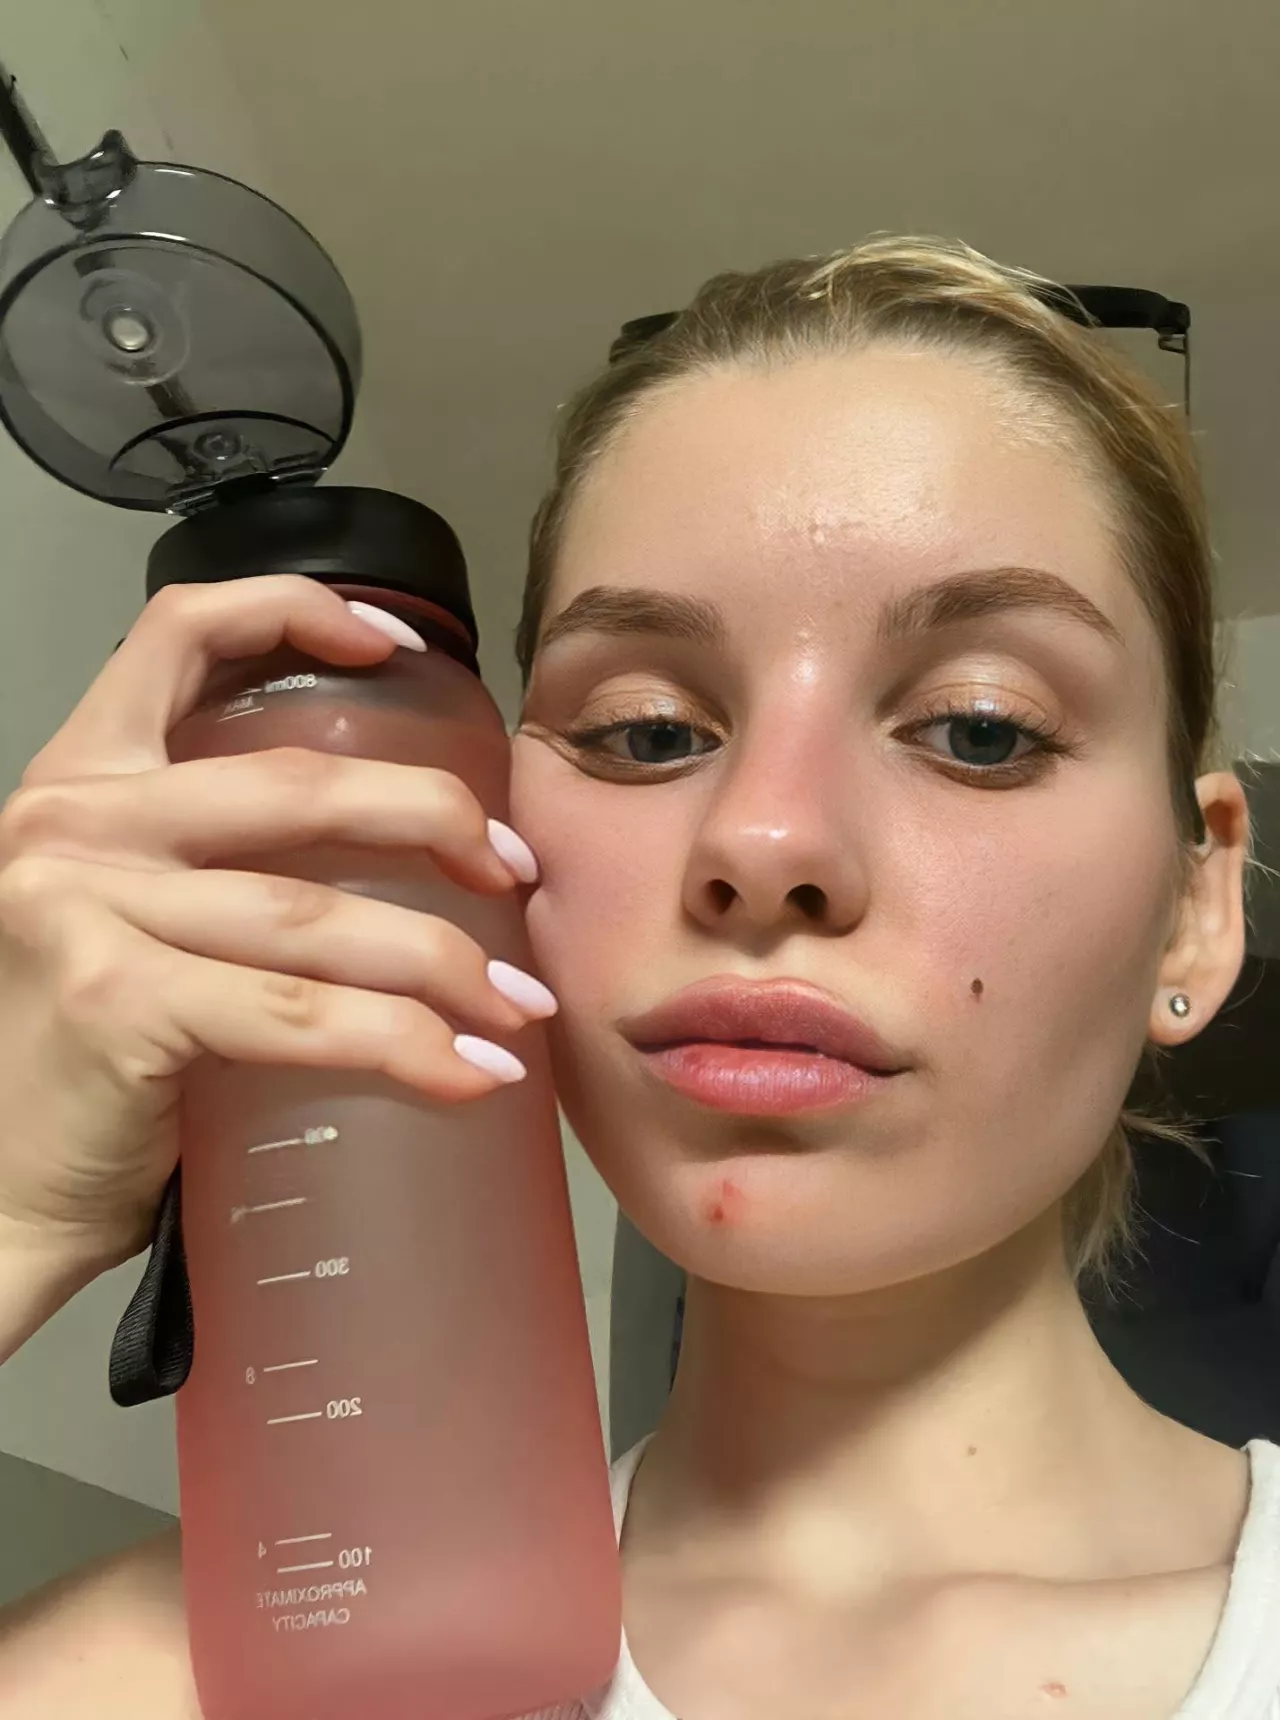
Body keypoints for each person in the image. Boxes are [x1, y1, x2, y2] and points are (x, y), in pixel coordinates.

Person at [0, 236, 1274, 1720]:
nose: (763, 839)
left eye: (980, 728)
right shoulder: (200, 1677)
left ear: (1196, 908)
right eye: (649, 731)